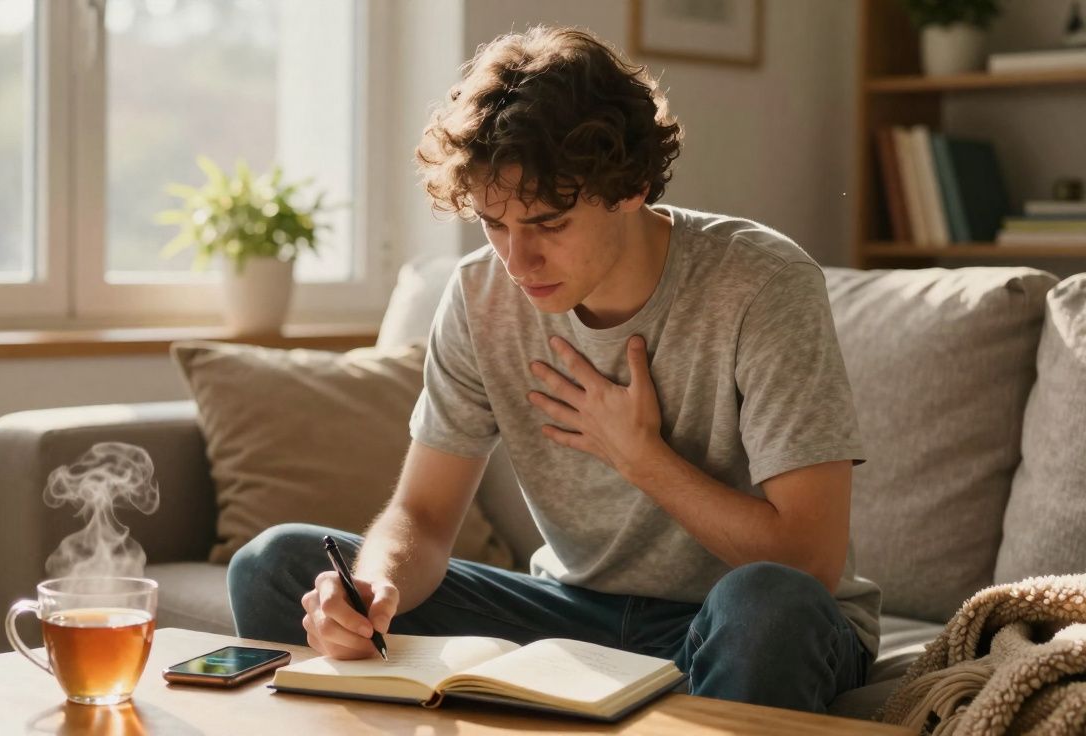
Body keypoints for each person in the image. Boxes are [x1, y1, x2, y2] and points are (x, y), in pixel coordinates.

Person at [228, 25, 880, 713]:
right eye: (493, 224)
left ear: (630, 185)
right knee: (276, 565)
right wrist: (374, 588)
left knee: (769, 607)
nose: (517, 260)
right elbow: (423, 515)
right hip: (572, 617)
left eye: (547, 223)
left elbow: (808, 561)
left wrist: (642, 458)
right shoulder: (479, 295)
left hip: (732, 621)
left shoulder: (762, 282)